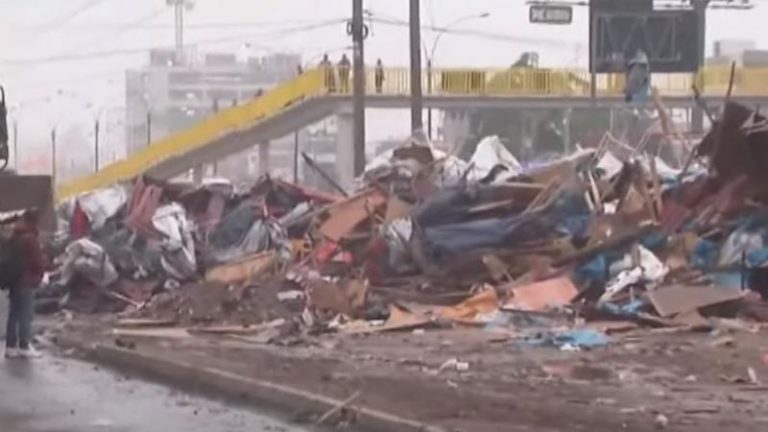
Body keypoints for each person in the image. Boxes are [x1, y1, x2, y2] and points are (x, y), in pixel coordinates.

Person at [5, 209, 45, 359]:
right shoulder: (31, 238)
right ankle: (24, 346)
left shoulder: (15, 236)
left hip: (14, 280)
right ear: (34, 222)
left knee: (13, 314)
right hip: (27, 281)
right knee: (25, 315)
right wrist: (41, 274)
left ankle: (10, 347)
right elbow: (37, 262)